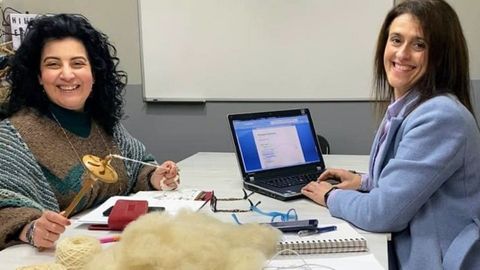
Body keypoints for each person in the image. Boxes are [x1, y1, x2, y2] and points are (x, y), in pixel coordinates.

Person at [301, 0, 480, 269]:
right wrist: (364, 182)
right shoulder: (409, 105)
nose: (402, 53)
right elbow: (413, 184)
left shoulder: (441, 116)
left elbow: (383, 213)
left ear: (441, 55)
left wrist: (330, 196)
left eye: (419, 45)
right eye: (396, 40)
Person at [0, 14, 180, 250]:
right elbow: (5, 202)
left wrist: (155, 177)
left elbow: (137, 167)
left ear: (94, 74)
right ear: (39, 77)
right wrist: (30, 229)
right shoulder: (12, 137)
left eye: (77, 63)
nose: (67, 74)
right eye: (53, 64)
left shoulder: (105, 123)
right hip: (56, 256)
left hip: (115, 249)